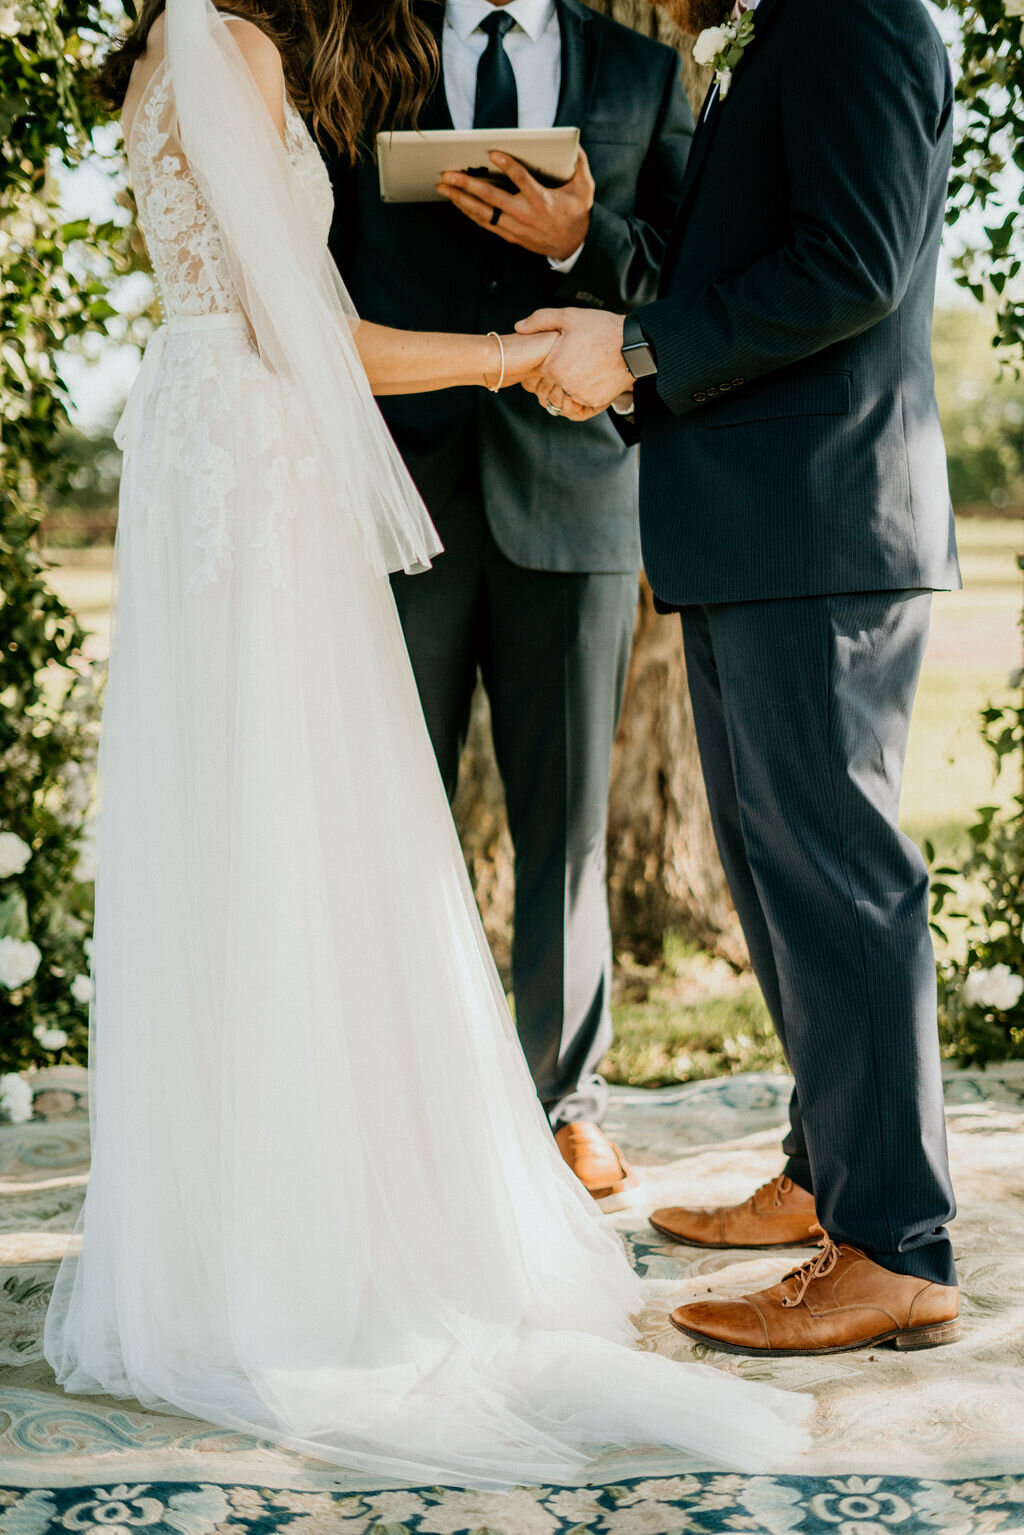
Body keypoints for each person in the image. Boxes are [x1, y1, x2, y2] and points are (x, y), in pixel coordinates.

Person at [44, 0, 809, 1487]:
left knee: (270, 836)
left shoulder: (195, 38)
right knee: (294, 838)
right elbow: (309, 331)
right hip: (254, 460)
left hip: (233, 450)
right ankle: (299, 1237)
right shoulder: (228, 41)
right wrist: (508, 358)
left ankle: (255, 1201)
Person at [518, 0, 962, 1357]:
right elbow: (741, 267)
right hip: (755, 532)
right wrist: (585, 241)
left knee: (838, 880)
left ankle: (894, 1245)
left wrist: (635, 348)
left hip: (818, 526)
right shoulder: (799, 31)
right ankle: (828, 1173)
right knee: (783, 878)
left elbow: (852, 264)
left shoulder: (861, 19)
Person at [328, 0, 693, 1205]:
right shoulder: (366, 47)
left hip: (578, 496)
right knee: (386, 819)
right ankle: (381, 1102)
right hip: (396, 496)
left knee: (567, 830)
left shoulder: (643, 74)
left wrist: (584, 234)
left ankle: (565, 1106)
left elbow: (681, 279)